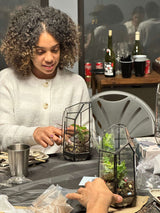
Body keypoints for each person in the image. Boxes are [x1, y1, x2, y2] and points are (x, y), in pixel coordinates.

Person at [0, 6, 90, 153]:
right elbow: (2, 134)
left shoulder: (76, 84)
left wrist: (80, 136)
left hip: (64, 167)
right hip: (19, 167)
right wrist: (33, 134)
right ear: (25, 50)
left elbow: (90, 138)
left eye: (55, 50)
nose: (49, 58)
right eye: (40, 52)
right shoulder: (6, 80)